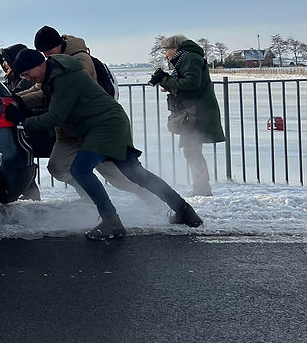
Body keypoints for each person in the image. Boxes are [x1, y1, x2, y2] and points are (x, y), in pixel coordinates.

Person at [13, 49, 203, 240]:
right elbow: (52, 103)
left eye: (26, 73)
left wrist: (22, 122)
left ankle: (111, 221)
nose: (26, 78)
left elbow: (55, 116)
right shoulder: (54, 75)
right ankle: (184, 211)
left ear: (37, 64)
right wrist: (22, 106)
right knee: (135, 173)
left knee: (81, 169)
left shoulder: (63, 77)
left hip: (105, 125)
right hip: (107, 123)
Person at [28, 25, 157, 206]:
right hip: (71, 131)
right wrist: (18, 97)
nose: (46, 57)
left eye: (49, 51)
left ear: (59, 45)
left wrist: (21, 104)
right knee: (58, 167)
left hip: (96, 129)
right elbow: (42, 87)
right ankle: (90, 197)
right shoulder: (53, 65)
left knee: (117, 177)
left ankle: (149, 198)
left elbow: (57, 92)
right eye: (43, 53)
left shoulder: (79, 61)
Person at [150, 35, 226, 196]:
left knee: (192, 150)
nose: (166, 55)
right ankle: (201, 187)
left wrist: (165, 79)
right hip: (194, 111)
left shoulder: (190, 59)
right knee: (191, 150)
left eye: (166, 50)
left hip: (197, 113)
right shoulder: (187, 59)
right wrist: (168, 83)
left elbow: (191, 84)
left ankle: (202, 188)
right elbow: (187, 84)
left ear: (175, 49)